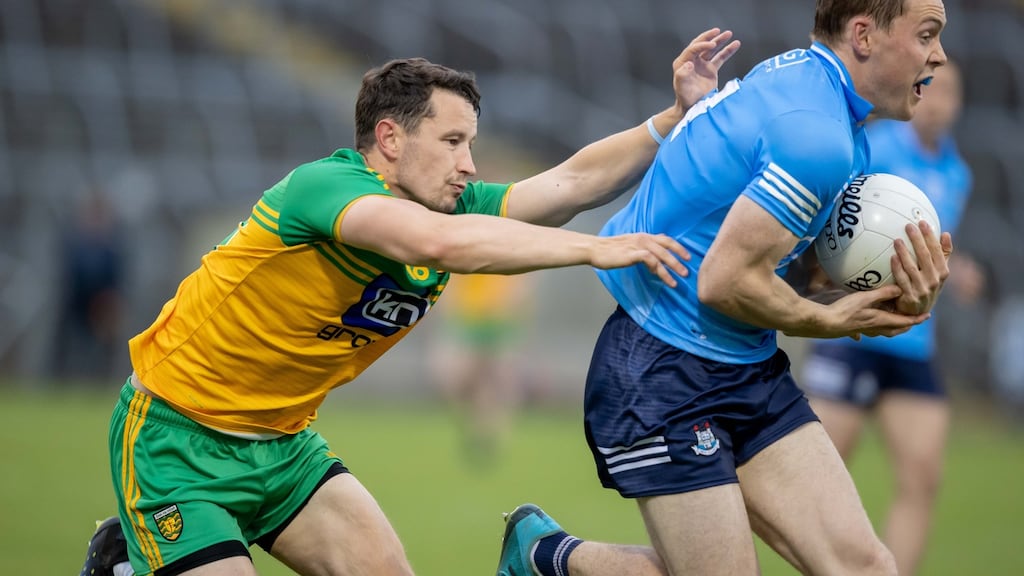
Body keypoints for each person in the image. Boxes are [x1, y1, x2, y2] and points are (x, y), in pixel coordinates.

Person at [77, 28, 741, 576]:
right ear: (391, 139)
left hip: (285, 447)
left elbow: (570, 181)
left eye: (470, 144)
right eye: (452, 142)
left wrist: (672, 118)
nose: (470, 164)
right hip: (178, 440)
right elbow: (436, 243)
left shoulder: (448, 203)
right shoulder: (326, 189)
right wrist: (595, 249)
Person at [497, 1, 954, 575]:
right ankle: (547, 558)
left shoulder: (810, 90)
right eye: (927, 35)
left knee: (866, 568)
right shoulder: (816, 135)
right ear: (863, 35)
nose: (939, 56)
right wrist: (833, 321)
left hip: (744, 362)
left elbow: (783, 267)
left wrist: (890, 291)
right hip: (661, 367)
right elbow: (724, 280)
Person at [799, 60, 983, 576]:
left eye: (950, 92)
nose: (938, 101)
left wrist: (958, 268)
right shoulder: (875, 147)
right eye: (932, 88)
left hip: (911, 337)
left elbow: (927, 242)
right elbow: (841, 226)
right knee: (819, 475)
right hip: (852, 332)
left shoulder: (957, 172)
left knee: (923, 478)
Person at [429, 271, 539, 467]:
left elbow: (523, 284)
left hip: (501, 320)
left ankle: (494, 433)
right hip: (468, 319)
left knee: (502, 381)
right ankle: (477, 426)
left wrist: (514, 304)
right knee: (461, 380)